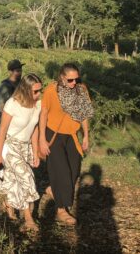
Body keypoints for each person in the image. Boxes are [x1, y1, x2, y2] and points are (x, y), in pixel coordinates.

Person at [39, 63, 93, 225]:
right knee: (61, 172)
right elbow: (44, 114)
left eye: (76, 79)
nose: (74, 83)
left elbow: (83, 114)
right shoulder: (51, 91)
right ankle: (61, 209)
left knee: (74, 171)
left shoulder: (81, 89)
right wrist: (42, 139)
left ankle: (53, 190)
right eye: (70, 80)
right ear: (62, 77)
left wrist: (86, 136)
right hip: (53, 133)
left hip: (72, 135)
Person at [0, 73, 43, 233]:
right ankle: (28, 218)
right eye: (35, 91)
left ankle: (9, 204)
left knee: (15, 180)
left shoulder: (38, 104)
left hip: (26, 146)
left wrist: (35, 152)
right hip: (11, 146)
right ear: (25, 90)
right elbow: (2, 132)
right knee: (27, 178)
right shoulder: (12, 104)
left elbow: (34, 129)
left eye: (40, 90)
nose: (39, 94)